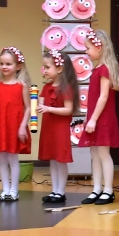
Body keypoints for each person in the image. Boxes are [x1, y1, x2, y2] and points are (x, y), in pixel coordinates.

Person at [77, 29, 119, 205]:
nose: (86, 52)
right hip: (94, 117)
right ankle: (96, 188)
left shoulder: (104, 69)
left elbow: (103, 96)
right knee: (94, 154)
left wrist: (94, 119)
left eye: (88, 48)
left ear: (100, 48)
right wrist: (88, 117)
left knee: (104, 154)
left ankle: (108, 190)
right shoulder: (96, 69)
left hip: (102, 119)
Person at [0, 47, 31, 202]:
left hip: (14, 126)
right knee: (2, 160)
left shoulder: (21, 85)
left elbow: (28, 107)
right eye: (2, 63)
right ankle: (5, 190)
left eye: (8, 64)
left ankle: (14, 191)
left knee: (13, 159)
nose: (4, 66)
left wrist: (23, 126)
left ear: (18, 66)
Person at [37, 49, 77, 205]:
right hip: (49, 128)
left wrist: (48, 109)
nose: (44, 70)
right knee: (52, 160)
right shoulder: (46, 87)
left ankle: (61, 191)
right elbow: (40, 104)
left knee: (60, 160)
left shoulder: (66, 88)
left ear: (59, 68)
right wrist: (34, 100)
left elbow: (68, 110)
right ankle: (54, 190)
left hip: (59, 128)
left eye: (48, 67)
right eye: (44, 67)